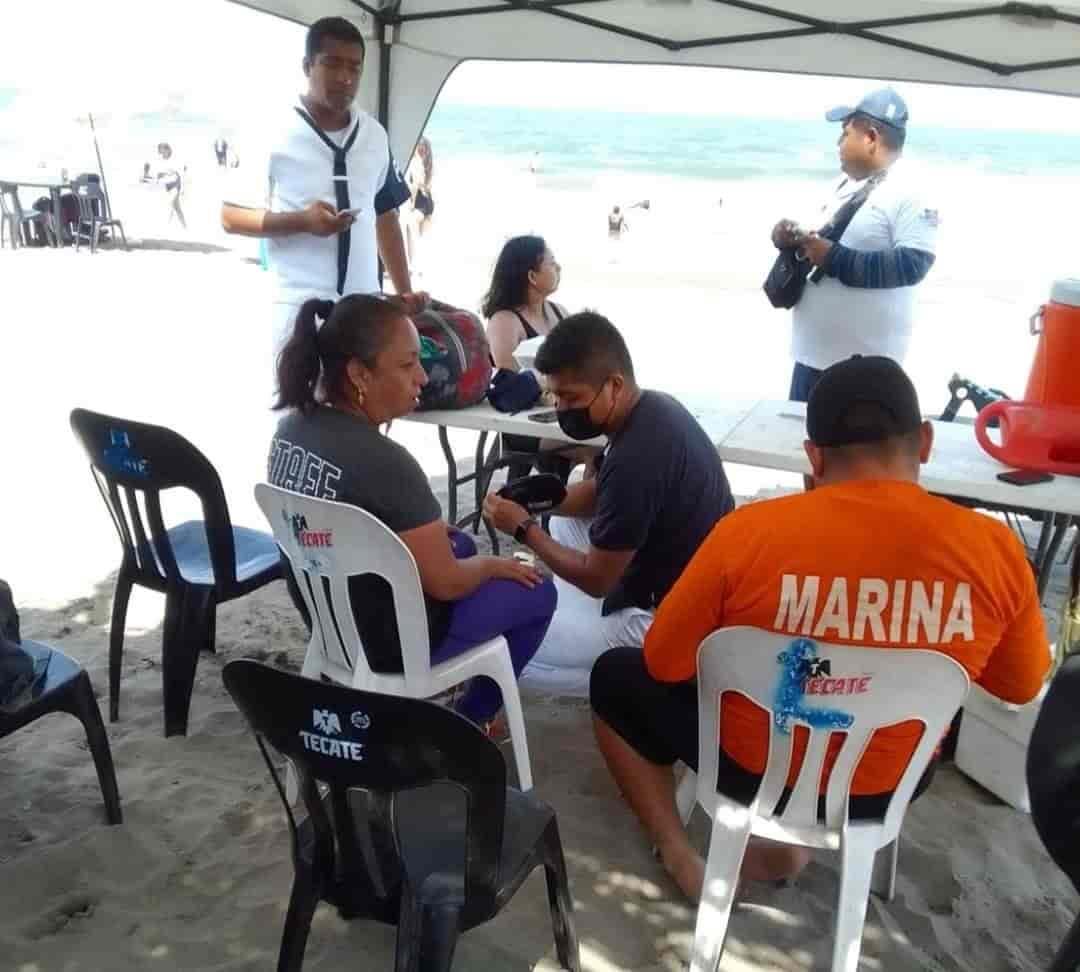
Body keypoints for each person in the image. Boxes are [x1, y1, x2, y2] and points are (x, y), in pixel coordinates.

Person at [589, 355, 1051, 901]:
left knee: (615, 677)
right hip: (886, 787)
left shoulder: (747, 533)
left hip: (751, 775)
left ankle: (676, 849)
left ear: (812, 456)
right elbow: (1019, 686)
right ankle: (791, 849)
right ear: (925, 442)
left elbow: (663, 663)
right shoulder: (994, 551)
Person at [268, 294, 556, 732]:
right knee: (537, 590)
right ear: (359, 374)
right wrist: (495, 565)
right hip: (390, 644)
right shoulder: (387, 463)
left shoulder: (290, 430)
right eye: (406, 366)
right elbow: (446, 582)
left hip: (328, 621)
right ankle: (472, 721)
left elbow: (344, 516)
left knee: (456, 541)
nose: (422, 377)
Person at [483, 312, 734, 695]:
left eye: (572, 398)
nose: (563, 409)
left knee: (505, 648)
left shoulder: (637, 456)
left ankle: (646, 679)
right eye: (556, 396)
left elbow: (598, 579)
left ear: (614, 385)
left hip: (670, 619)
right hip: (685, 579)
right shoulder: (652, 409)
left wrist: (523, 528)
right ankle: (576, 626)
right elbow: (600, 493)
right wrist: (540, 501)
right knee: (563, 525)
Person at [220, 17, 425, 377]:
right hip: (299, 310)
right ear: (307, 66)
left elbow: (386, 215)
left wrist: (404, 293)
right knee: (298, 419)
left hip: (364, 313)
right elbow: (230, 216)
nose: (345, 78)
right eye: (332, 64)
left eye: (355, 68)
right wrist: (303, 221)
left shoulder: (373, 135)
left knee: (362, 419)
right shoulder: (273, 129)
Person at [772, 88, 939, 403]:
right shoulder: (844, 185)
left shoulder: (912, 190)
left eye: (845, 134)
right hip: (811, 358)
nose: (838, 144)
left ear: (871, 138)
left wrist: (834, 258)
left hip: (865, 371)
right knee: (802, 448)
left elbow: (913, 264)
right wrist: (787, 239)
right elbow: (817, 243)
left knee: (850, 452)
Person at [483, 235, 571, 482]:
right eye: (552, 263)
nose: (558, 268)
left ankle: (579, 515)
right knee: (596, 445)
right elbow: (510, 384)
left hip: (559, 413)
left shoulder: (559, 312)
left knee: (607, 442)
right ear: (532, 276)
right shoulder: (505, 320)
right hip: (525, 425)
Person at [403, 136, 434, 276]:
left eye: (423, 149)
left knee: (410, 226)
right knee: (414, 230)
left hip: (421, 204)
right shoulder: (427, 164)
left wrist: (411, 204)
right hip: (427, 204)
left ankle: (413, 266)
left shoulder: (416, 163)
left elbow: (415, 187)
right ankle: (415, 266)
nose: (422, 151)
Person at [153, 142, 186, 230]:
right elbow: (160, 173)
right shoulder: (162, 160)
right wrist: (159, 177)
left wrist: (182, 189)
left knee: (170, 204)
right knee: (177, 208)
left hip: (176, 185)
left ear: (167, 149)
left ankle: (166, 227)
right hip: (168, 187)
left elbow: (181, 174)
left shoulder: (174, 159)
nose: (161, 153)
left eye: (162, 151)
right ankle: (185, 227)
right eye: (160, 152)